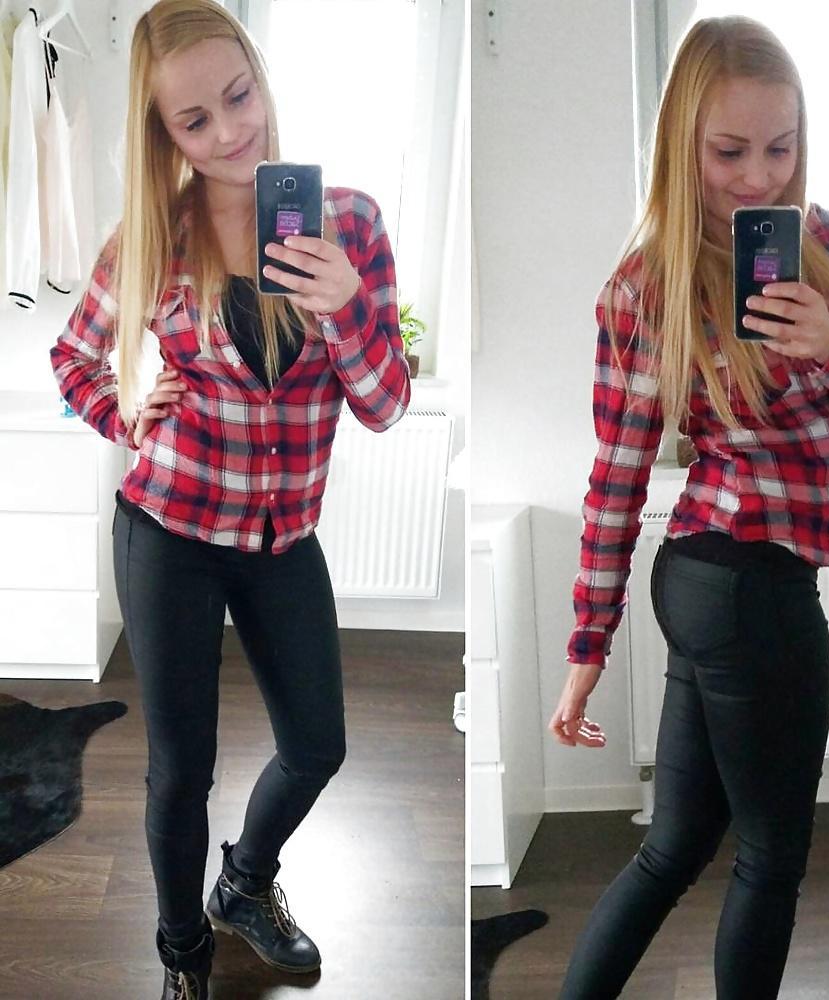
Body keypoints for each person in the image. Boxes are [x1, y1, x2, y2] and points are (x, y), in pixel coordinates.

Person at [549, 16, 829, 1000]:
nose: (759, 177)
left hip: (712, 585)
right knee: (769, 856)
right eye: (729, 152)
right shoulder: (643, 289)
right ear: (682, 145)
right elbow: (616, 479)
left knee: (676, 844)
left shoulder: (817, 243)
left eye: (780, 147)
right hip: (743, 588)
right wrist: (585, 652)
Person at [50, 2, 410, 997]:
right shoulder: (154, 239)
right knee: (180, 771)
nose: (229, 132)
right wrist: (125, 414)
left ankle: (244, 884)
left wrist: (345, 308)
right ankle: (183, 957)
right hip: (169, 529)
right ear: (165, 134)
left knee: (317, 745)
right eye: (194, 120)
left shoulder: (350, 224)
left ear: (261, 75)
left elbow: (384, 406)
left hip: (282, 537)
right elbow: (73, 356)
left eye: (239, 96)